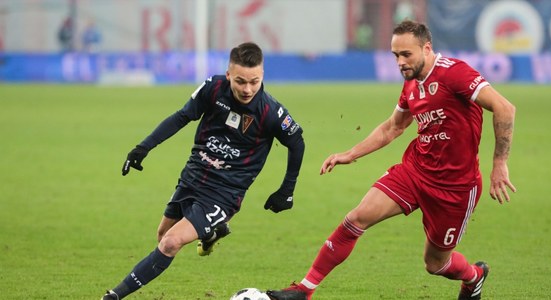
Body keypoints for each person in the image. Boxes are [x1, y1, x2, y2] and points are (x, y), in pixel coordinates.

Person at [267, 20, 516, 300]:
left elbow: (504, 108)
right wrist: (350, 154)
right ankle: (304, 290)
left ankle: (473, 277)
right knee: (356, 218)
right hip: (415, 171)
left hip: (455, 188)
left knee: (436, 264)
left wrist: (499, 164)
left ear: (427, 48)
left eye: (406, 54)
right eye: (395, 55)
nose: (400, 62)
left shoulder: (455, 73)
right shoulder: (411, 83)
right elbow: (393, 127)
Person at [101, 42, 305, 299]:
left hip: (225, 192)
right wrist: (143, 148)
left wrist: (287, 189)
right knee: (162, 235)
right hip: (194, 175)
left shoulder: (271, 111)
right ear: (229, 74)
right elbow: (181, 116)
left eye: (254, 81)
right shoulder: (214, 88)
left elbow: (296, 141)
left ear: (262, 75)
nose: (248, 89)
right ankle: (210, 233)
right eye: (241, 81)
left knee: (171, 243)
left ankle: (113, 295)